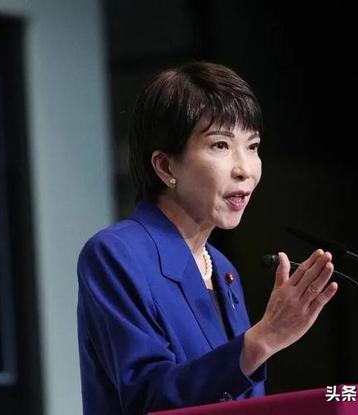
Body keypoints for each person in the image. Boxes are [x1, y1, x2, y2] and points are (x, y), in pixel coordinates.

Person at [77, 61, 338, 415]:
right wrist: (264, 338)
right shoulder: (116, 254)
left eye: (253, 145)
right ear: (165, 166)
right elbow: (147, 400)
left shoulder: (222, 269)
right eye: (220, 145)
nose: (245, 169)